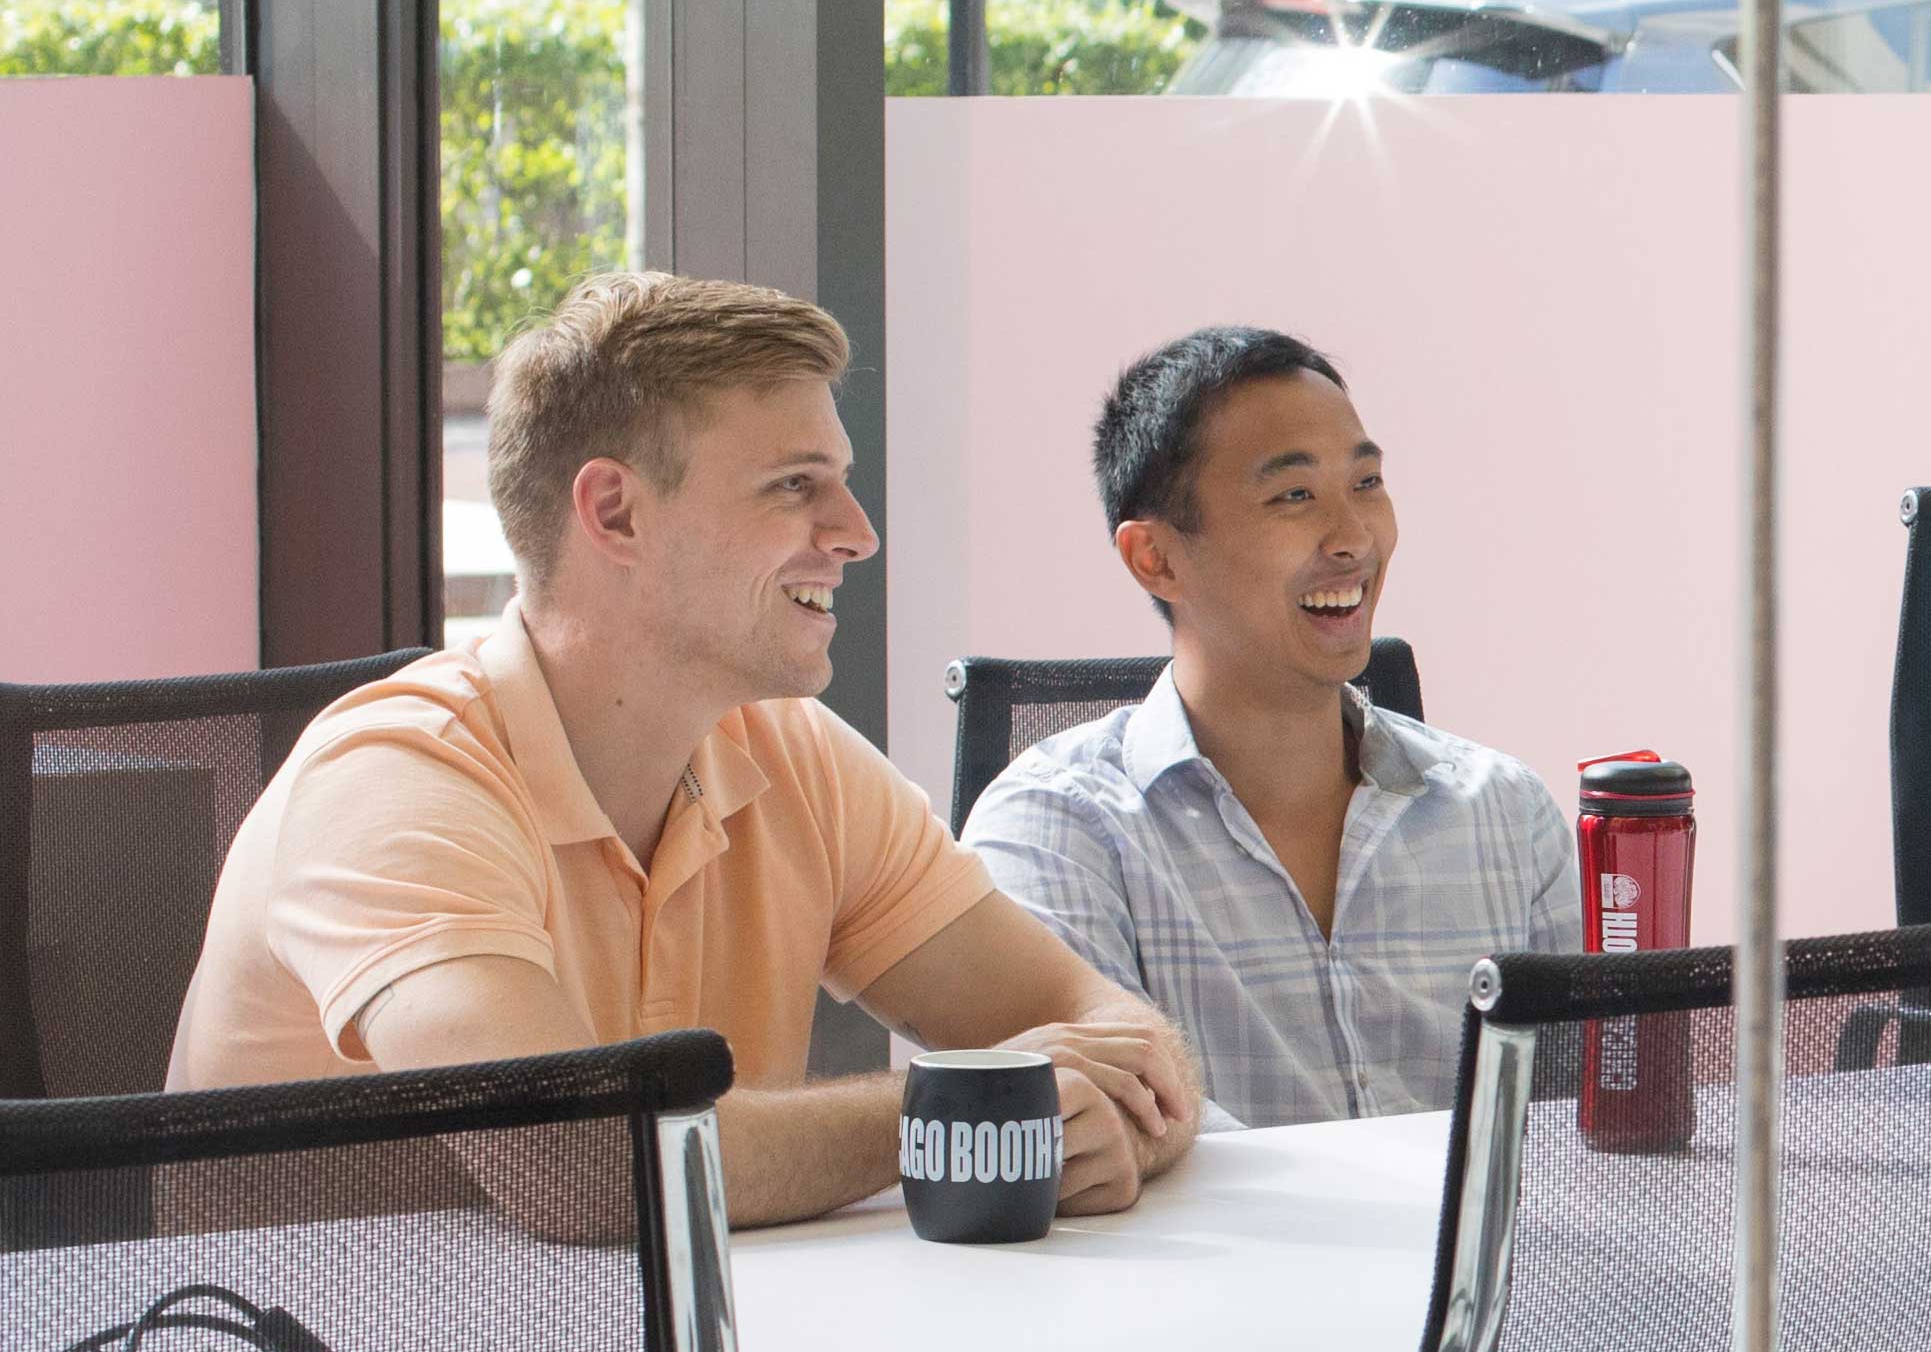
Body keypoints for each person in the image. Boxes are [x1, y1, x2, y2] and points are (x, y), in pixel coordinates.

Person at [173, 268, 1198, 1221]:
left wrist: (1118, 1120)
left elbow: (1108, 1028)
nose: (855, 532)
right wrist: (971, 1116)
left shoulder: (789, 754)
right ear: (614, 510)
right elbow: (577, 1163)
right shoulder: (396, 780)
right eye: (794, 485)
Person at [965, 327, 1577, 1128]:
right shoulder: (1056, 830)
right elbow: (1089, 1133)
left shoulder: (1504, 814)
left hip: (1471, 1257)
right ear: (1156, 558)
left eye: (1366, 482)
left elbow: (1588, 1134)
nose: (1353, 537)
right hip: (1206, 1258)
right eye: (1294, 496)